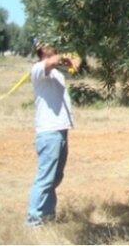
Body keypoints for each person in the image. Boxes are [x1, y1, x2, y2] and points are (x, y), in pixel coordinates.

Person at [25, 41, 78, 227]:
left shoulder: (56, 73)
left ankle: (47, 216)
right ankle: (34, 221)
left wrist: (69, 63)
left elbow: (57, 64)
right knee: (45, 178)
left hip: (60, 131)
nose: (52, 52)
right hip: (49, 133)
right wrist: (65, 57)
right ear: (41, 54)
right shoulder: (38, 69)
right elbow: (50, 63)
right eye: (47, 50)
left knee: (55, 177)